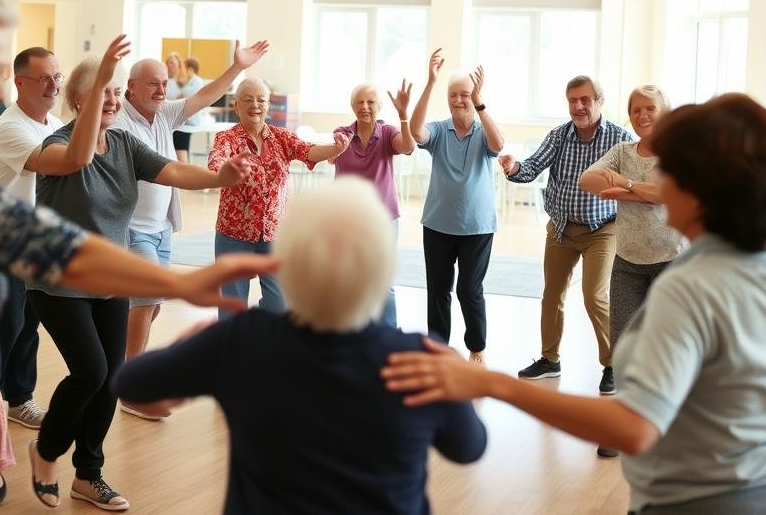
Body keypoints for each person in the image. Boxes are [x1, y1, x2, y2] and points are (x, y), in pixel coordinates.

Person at [0, 0, 275, 515]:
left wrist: (180, 278)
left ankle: (80, 468)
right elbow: (56, 238)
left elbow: (52, 242)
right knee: (83, 368)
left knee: (89, 370)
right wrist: (180, 282)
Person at [384, 94, 766, 515]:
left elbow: (633, 427)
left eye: (667, 171)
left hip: (703, 502)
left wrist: (493, 385)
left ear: (699, 185)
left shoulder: (693, 285)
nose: (657, 182)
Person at [114, 177, 488, 515]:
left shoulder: (243, 340)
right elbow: (469, 447)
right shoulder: (423, 359)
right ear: (381, 265)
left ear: (287, 260)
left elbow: (130, 383)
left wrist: (188, 343)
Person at [27, 41, 257, 510]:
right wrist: (106, 67)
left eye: (114, 91)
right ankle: (47, 450)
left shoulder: (127, 144)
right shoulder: (53, 148)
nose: (111, 99)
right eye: (100, 92)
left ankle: (88, 474)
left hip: (110, 279)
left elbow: (172, 170)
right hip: (58, 283)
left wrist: (221, 179)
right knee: (90, 371)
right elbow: (77, 159)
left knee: (111, 377)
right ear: (78, 101)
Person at [112, 43, 268, 419]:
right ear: (131, 87)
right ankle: (133, 385)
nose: (161, 89)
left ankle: (119, 366)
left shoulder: (165, 114)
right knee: (147, 300)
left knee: (148, 308)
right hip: (134, 228)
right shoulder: (119, 122)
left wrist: (235, 68)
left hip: (163, 227)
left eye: (164, 83)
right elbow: (171, 171)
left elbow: (203, 96)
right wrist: (218, 176)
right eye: (152, 83)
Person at [500, 75, 633, 393]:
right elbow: (532, 167)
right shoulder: (559, 136)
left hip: (602, 229)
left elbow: (634, 182)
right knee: (551, 295)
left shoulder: (619, 138)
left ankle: (614, 364)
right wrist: (514, 167)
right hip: (561, 228)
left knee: (594, 296)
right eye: (573, 100)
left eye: (585, 100)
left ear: (599, 101)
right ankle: (550, 359)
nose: (578, 106)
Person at [578, 84, 685, 458]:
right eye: (635, 109)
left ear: (664, 112)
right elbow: (587, 180)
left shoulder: (678, 153)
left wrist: (622, 187)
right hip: (627, 264)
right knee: (623, 346)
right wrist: (638, 187)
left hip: (672, 262)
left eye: (649, 109)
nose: (642, 116)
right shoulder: (622, 151)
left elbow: (670, 194)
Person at [208, 76, 349, 318]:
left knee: (279, 305)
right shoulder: (227, 138)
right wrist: (226, 169)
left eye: (261, 99)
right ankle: (233, 349)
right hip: (234, 234)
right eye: (247, 99)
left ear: (268, 105)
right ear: (236, 106)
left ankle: (261, 334)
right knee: (232, 307)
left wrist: (336, 149)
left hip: (273, 233)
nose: (255, 104)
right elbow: (216, 162)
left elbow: (309, 151)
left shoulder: (281, 137)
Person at [0, 46, 64, 432]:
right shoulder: (11, 127)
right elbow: (56, 163)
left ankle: (18, 399)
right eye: (44, 78)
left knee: (28, 325)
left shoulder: (54, 124)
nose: (53, 85)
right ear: (20, 83)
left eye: (56, 77)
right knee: (7, 326)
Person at [409, 48, 504, 363]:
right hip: (438, 223)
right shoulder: (438, 130)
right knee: (438, 290)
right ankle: (437, 349)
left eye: (465, 94)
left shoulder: (482, 129)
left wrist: (481, 103)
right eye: (454, 95)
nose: (459, 100)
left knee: (469, 289)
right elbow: (415, 131)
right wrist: (430, 83)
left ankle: (476, 348)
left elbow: (499, 144)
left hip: (477, 226)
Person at [332, 81, 415, 328]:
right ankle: (351, 330)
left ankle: (388, 335)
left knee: (381, 279)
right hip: (348, 217)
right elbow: (332, 154)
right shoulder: (343, 133)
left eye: (370, 102)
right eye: (360, 102)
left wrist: (403, 117)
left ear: (378, 106)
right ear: (353, 106)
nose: (365, 107)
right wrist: (335, 148)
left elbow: (408, 147)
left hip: (383, 218)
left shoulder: (388, 132)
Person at [168, 54, 207, 162]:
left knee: (181, 151)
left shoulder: (196, 81)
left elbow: (182, 96)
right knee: (177, 150)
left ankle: (184, 171)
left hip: (187, 122)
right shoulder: (185, 81)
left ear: (189, 69)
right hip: (180, 120)